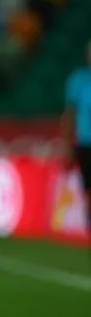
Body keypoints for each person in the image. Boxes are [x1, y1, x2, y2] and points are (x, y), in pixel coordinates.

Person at [61, 42, 91, 234]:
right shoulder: (78, 80)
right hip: (86, 143)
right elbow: (69, 115)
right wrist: (67, 146)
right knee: (88, 187)